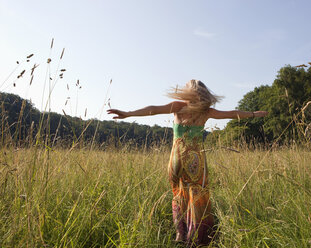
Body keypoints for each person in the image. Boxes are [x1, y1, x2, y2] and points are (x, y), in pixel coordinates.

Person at [107, 79, 268, 246]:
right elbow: (231, 114)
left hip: (176, 158)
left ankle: (180, 233)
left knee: (178, 195)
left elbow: (153, 110)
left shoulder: (178, 106)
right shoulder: (206, 112)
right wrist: (253, 114)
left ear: (188, 92)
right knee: (198, 196)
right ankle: (198, 236)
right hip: (196, 160)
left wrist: (128, 113)